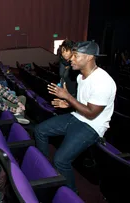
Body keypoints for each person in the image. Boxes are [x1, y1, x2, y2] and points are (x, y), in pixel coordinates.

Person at [34, 41, 117, 192]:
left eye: (76, 56)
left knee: (60, 160)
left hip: (92, 126)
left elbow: (92, 114)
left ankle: (72, 193)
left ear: (89, 57)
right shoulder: (81, 77)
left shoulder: (102, 82)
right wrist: (69, 104)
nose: (71, 59)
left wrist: (68, 97)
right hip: (78, 116)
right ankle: (45, 169)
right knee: (40, 130)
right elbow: (83, 103)